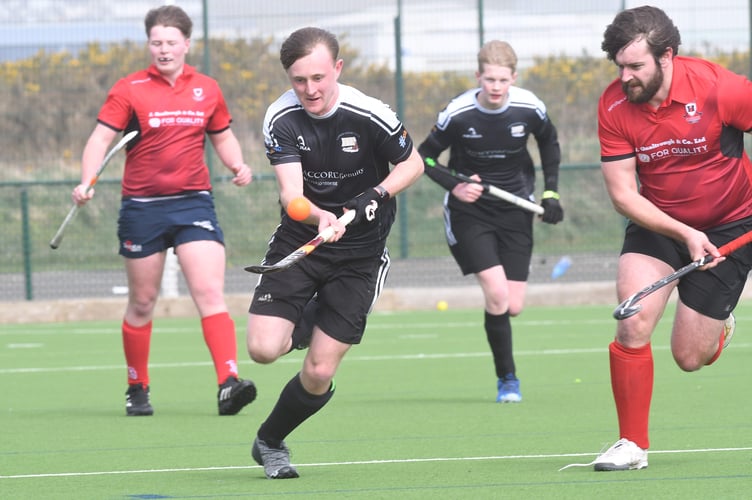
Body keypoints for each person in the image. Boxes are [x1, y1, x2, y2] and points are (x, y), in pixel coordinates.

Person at [246, 26, 424, 479]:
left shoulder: (371, 114)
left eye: (319, 78)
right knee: (264, 350)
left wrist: (377, 194)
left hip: (361, 254)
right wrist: (321, 217)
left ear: (338, 69)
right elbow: (291, 195)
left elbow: (413, 163)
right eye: (299, 80)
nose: (310, 90)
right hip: (302, 241)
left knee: (319, 371)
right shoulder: (280, 119)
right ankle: (310, 314)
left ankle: (270, 441)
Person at [588, 5, 752, 471]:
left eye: (635, 66)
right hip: (659, 223)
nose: (625, 77)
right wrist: (684, 232)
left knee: (688, 358)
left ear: (667, 57)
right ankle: (631, 444)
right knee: (633, 319)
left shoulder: (721, 89)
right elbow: (623, 194)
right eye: (619, 66)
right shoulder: (614, 105)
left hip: (732, 223)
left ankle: (717, 327)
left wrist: (705, 234)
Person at [73, 5, 257, 417]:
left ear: (187, 44)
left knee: (209, 292)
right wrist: (87, 181)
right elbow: (99, 141)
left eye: (171, 42)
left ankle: (229, 382)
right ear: (149, 45)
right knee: (142, 301)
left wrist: (237, 165)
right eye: (156, 42)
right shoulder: (130, 88)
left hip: (194, 202)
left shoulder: (207, 88)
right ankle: (137, 386)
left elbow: (222, 135)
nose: (163, 49)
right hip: (142, 208)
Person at [417, 40, 564, 403]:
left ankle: (504, 361)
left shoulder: (530, 108)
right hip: (471, 212)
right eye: (489, 79)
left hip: (516, 207)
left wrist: (551, 194)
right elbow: (424, 158)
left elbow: (549, 143)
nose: (496, 87)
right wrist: (456, 185)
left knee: (512, 305)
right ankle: (508, 380)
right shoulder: (459, 113)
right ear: (477, 76)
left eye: (503, 79)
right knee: (496, 293)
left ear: (513, 77)